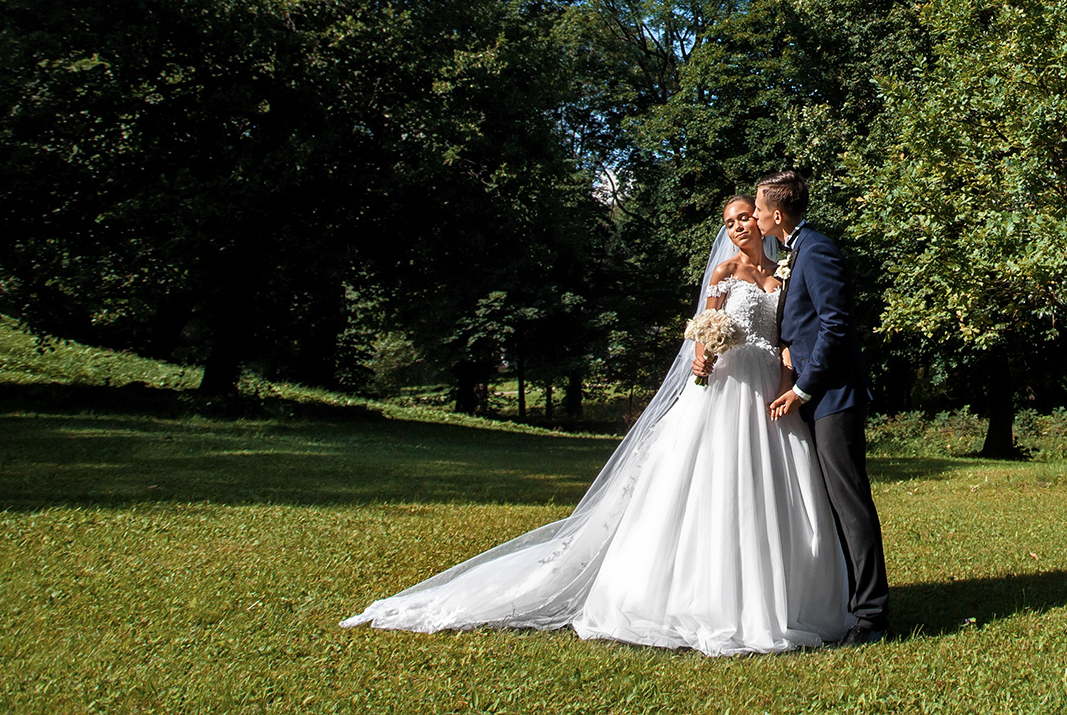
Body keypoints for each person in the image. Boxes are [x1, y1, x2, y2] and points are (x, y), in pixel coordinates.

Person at [340, 196, 854, 655]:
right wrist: (701, 357)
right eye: (730, 220)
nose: (739, 225)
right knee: (710, 487)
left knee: (775, 491)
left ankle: (782, 597)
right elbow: (704, 331)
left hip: (768, 393)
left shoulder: (782, 277)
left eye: (745, 216)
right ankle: (699, 597)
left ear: (765, 221)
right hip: (724, 391)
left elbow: (787, 338)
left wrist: (790, 384)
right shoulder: (721, 275)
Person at [756, 169, 890, 643]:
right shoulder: (795, 251)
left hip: (833, 395)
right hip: (815, 392)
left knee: (850, 504)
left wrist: (803, 389)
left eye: (757, 207)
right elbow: (806, 324)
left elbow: (836, 326)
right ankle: (850, 603)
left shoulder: (817, 249)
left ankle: (872, 617)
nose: (753, 215)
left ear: (776, 213)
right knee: (833, 504)